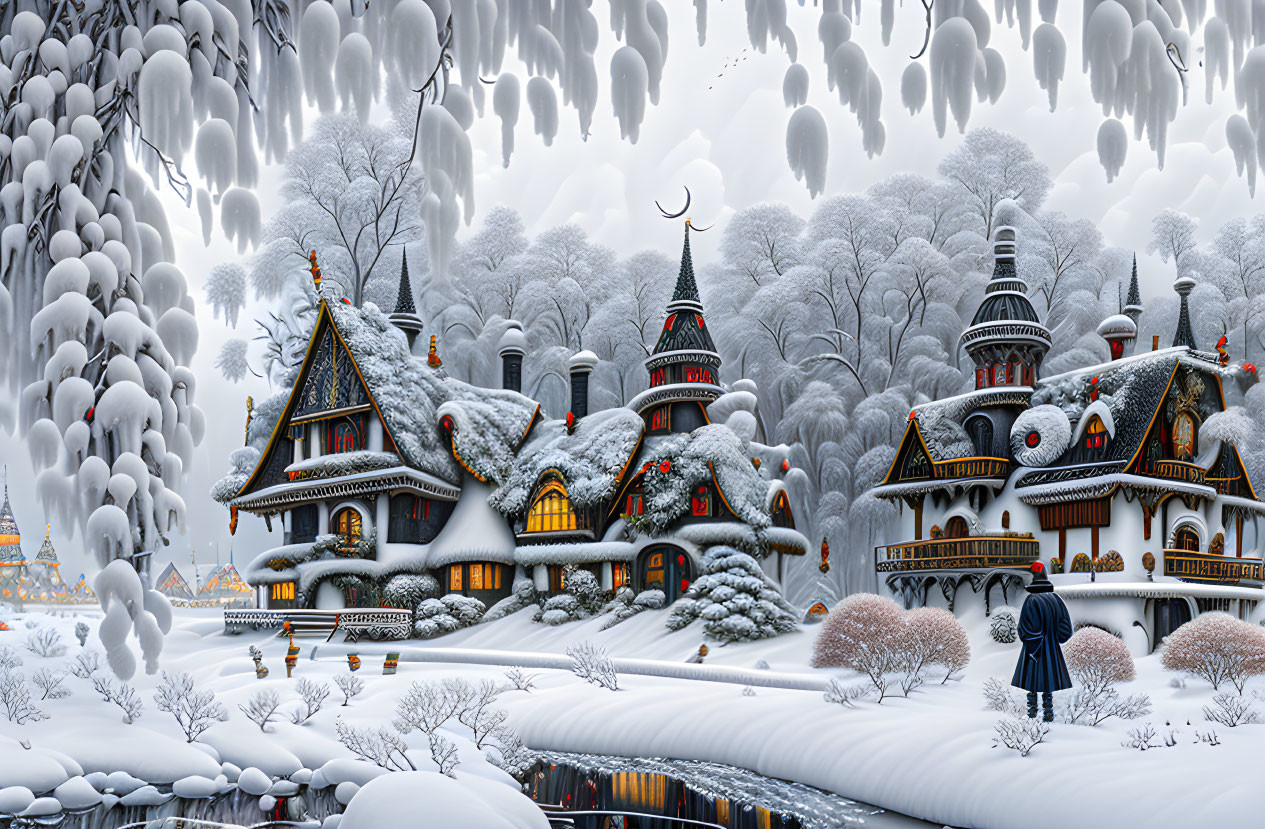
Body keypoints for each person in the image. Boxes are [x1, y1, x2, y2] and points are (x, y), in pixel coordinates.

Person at [1010, 561, 1073, 722]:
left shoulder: (1031, 600)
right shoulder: (1056, 600)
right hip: (1051, 650)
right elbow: (1066, 630)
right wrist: (1054, 640)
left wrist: (1033, 645)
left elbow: (1025, 629)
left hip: (1034, 650)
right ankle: (1048, 713)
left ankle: (1032, 714)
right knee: (1048, 684)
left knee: (1032, 685)